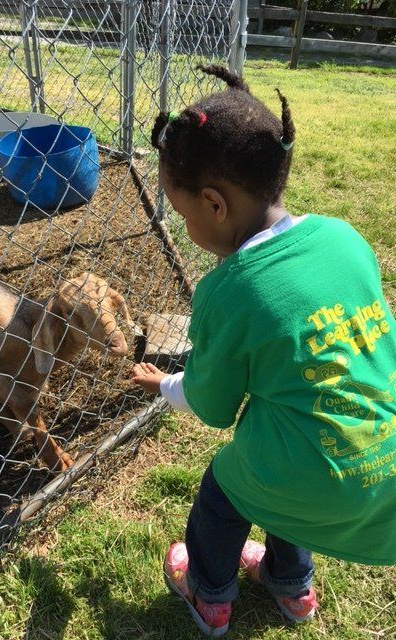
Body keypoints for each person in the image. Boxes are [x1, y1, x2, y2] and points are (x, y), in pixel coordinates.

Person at [130, 64, 396, 637]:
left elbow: (213, 404)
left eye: (183, 214)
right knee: (292, 457)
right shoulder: (344, 238)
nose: (185, 226)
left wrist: (163, 386)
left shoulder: (227, 291)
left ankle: (210, 593)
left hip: (306, 473)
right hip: (383, 464)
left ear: (215, 204)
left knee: (230, 489)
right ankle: (290, 586)